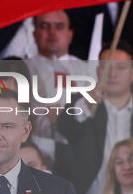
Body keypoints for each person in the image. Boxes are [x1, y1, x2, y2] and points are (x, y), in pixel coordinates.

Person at [57, 42, 133, 194]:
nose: (112, 73)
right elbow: (66, 127)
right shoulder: (82, 106)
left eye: (121, 67)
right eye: (105, 66)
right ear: (98, 71)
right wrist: (88, 102)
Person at [26, 10, 87, 142]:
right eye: (44, 26)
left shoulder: (86, 70)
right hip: (34, 146)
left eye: (59, 26)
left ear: (70, 35)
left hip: (77, 147)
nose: (52, 32)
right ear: (35, 34)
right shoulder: (21, 69)